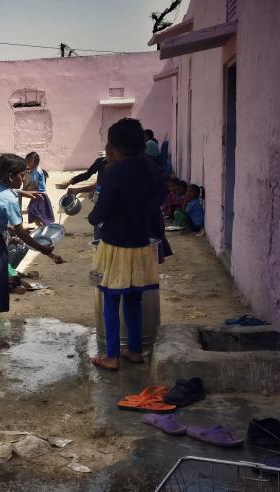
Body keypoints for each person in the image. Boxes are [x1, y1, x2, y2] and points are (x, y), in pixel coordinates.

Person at [0, 154, 64, 348]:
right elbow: (20, 231)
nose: (24, 179)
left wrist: (23, 195)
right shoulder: (8, 198)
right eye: (22, 175)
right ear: (11, 177)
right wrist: (44, 250)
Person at [88, 118, 160, 371]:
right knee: (133, 299)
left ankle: (111, 356)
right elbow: (156, 202)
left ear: (116, 146)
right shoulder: (150, 165)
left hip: (116, 244)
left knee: (110, 299)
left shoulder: (115, 171)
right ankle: (135, 350)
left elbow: (102, 211)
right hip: (141, 242)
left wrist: (92, 217)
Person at [24, 151, 54, 226]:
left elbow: (35, 185)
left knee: (37, 214)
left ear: (36, 162)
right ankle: (41, 228)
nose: (27, 163)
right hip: (36, 194)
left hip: (40, 195)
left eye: (29, 161)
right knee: (35, 214)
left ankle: (44, 229)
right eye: (27, 161)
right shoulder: (33, 171)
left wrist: (24, 191)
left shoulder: (37, 171)